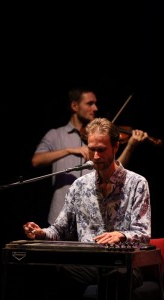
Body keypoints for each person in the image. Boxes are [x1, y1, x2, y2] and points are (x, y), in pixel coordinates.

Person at [23, 117, 152, 300]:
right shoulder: (80, 185)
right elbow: (60, 229)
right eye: (92, 150)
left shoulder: (137, 183)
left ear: (116, 147)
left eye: (101, 150)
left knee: (114, 277)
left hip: (124, 263)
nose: (96, 156)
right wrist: (40, 233)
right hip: (88, 262)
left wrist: (122, 235)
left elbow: (143, 233)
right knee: (50, 269)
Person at [32, 87, 148, 225]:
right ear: (74, 106)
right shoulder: (55, 135)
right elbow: (36, 161)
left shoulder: (99, 137)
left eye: (95, 103)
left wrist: (130, 146)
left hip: (90, 218)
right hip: (60, 214)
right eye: (90, 103)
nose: (95, 108)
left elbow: (115, 170)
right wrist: (69, 150)